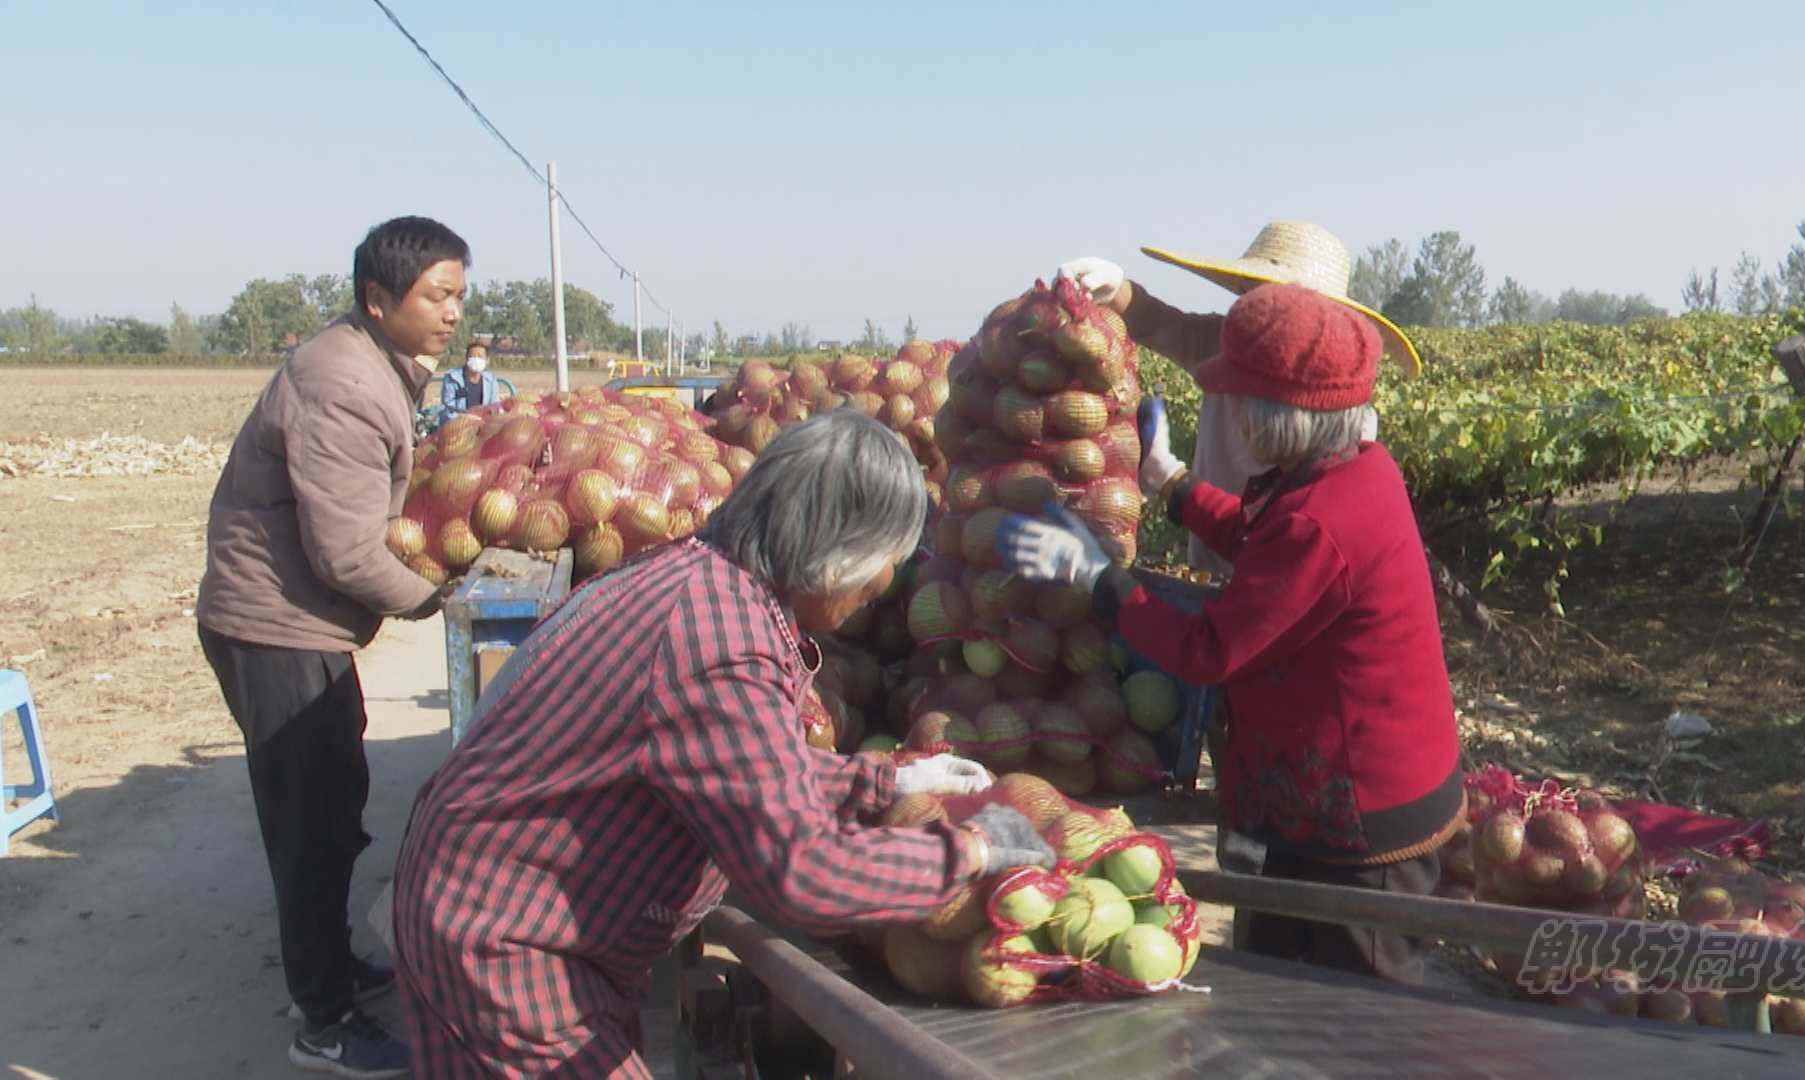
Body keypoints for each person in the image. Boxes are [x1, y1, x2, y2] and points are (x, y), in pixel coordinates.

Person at [392, 410, 1055, 1078]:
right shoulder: (719, 644)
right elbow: (803, 872)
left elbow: (744, 770)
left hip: (512, 911)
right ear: (839, 550)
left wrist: (887, 782)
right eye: (883, 565)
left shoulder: (709, 584)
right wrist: (970, 850)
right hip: (501, 941)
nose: (880, 590)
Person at [997, 283, 1463, 986]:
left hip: (1364, 826)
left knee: (1363, 1016)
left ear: (1277, 419)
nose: (1230, 413)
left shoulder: (1322, 519)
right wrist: (1172, 483)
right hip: (1330, 797)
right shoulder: (1353, 471)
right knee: (1281, 983)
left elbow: (1207, 651)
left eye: (1238, 401)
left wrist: (1098, 581)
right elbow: (1263, 539)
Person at [197, 215, 470, 1077]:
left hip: (304, 621)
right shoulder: (343, 383)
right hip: (273, 625)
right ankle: (320, 1020)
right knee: (309, 823)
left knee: (337, 797)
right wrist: (445, 602)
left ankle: (332, 970)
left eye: (460, 294)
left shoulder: (378, 366)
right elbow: (348, 552)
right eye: (437, 295)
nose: (453, 312)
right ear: (377, 299)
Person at [1059, 221, 1421, 578]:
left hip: (1275, 586)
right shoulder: (1226, 343)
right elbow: (1155, 320)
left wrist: (1168, 477)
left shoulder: (1350, 430)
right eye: (1255, 294)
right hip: (1209, 567)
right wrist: (1115, 288)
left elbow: (1294, 544)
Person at [438, 341, 499, 419]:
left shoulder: (491, 381)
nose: (476, 360)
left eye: (480, 356)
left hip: (483, 425)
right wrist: (467, 421)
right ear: (466, 358)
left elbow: (494, 406)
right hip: (457, 425)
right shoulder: (452, 378)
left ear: (487, 359)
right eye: (472, 356)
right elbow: (448, 409)